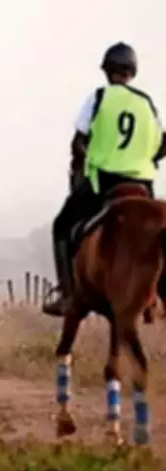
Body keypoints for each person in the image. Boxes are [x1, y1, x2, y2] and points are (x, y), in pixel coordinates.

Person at [42, 42, 166, 317]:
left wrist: (88, 157)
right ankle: (156, 296)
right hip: (143, 185)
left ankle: (67, 295)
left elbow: (79, 142)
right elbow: (163, 144)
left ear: (107, 71)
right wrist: (144, 158)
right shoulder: (147, 104)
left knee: (61, 226)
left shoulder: (98, 98)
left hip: (104, 182)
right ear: (132, 72)